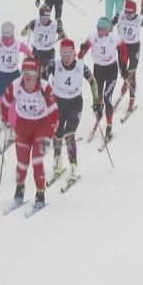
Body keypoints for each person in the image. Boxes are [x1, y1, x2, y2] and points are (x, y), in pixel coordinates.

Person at [0, 57, 58, 209]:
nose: (28, 75)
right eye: (25, 71)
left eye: (31, 72)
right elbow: (5, 105)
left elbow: (55, 114)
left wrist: (49, 136)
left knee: (37, 161)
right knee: (22, 163)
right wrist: (5, 121)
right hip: (23, 127)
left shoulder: (45, 88)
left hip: (42, 126)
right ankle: (20, 187)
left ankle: (40, 193)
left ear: (37, 72)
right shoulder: (15, 85)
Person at [43, 39, 98, 188]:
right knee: (57, 133)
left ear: (74, 53)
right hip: (58, 103)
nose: (66, 57)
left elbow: (92, 81)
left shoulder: (81, 66)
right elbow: (43, 76)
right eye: (63, 53)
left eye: (69, 53)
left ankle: (73, 167)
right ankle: (57, 161)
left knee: (69, 134)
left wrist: (97, 101)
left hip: (75, 103)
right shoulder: (55, 64)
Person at [77, 18, 129, 143]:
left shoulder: (115, 38)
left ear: (108, 30)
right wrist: (82, 49)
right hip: (98, 70)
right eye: (98, 29)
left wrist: (123, 67)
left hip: (111, 70)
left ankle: (109, 126)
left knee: (107, 96)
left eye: (103, 30)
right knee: (99, 95)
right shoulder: (92, 38)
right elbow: (79, 56)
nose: (100, 32)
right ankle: (100, 110)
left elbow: (124, 52)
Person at [114, 0, 143, 114]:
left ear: (135, 11)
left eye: (131, 13)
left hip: (134, 48)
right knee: (123, 71)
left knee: (132, 72)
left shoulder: (140, 19)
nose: (128, 15)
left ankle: (131, 99)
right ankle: (126, 80)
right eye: (126, 12)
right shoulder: (119, 15)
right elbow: (109, 26)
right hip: (121, 47)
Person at [20, 4, 66, 77]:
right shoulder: (34, 22)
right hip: (36, 52)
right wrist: (27, 28)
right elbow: (22, 33)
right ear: (40, 16)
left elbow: (65, 38)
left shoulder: (55, 25)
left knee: (44, 75)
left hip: (49, 53)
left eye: (46, 18)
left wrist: (62, 36)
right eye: (42, 18)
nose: (44, 20)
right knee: (34, 74)